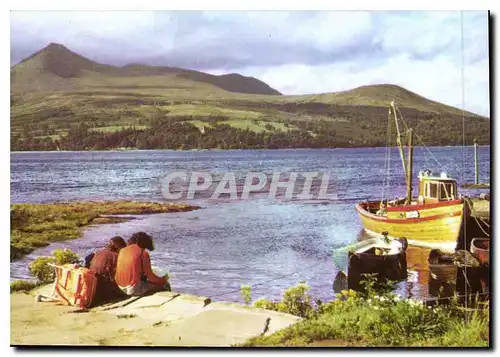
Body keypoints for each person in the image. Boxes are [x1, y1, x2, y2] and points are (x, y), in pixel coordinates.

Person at [115, 232, 170, 296]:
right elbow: (151, 278)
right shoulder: (142, 253)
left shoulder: (122, 250)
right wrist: (163, 280)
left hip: (120, 287)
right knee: (165, 285)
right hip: (133, 289)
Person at [89, 236, 127, 304]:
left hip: (92, 286)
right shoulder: (115, 256)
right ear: (120, 247)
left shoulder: (99, 252)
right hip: (104, 288)